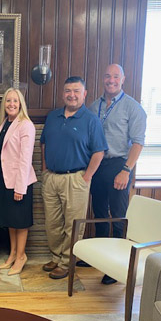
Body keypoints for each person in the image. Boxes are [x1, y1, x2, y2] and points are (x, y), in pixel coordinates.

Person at [40, 76, 107, 280]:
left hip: (76, 179)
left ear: (84, 94)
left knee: (73, 224)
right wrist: (44, 171)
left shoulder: (91, 120)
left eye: (76, 91)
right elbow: (43, 144)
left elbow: (99, 152)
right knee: (52, 223)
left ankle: (67, 262)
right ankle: (56, 256)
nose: (72, 95)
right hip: (51, 178)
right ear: (63, 93)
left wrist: (86, 177)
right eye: (68, 90)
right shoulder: (53, 117)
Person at [86, 64, 147, 285]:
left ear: (123, 79)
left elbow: (138, 142)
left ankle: (118, 265)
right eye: (107, 76)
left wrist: (126, 170)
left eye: (115, 77)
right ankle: (100, 258)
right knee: (100, 213)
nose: (111, 80)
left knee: (119, 216)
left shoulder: (133, 108)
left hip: (119, 165)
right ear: (103, 79)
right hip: (97, 165)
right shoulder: (94, 107)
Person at [0, 88, 37, 276]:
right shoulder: (4, 124)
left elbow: (25, 159)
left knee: (20, 222)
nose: (11, 104)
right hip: (4, 180)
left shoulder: (26, 125)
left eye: (15, 101)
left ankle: (21, 257)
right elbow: (0, 156)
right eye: (8, 100)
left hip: (20, 183)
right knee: (11, 221)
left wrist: (20, 188)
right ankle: (12, 254)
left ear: (21, 104)